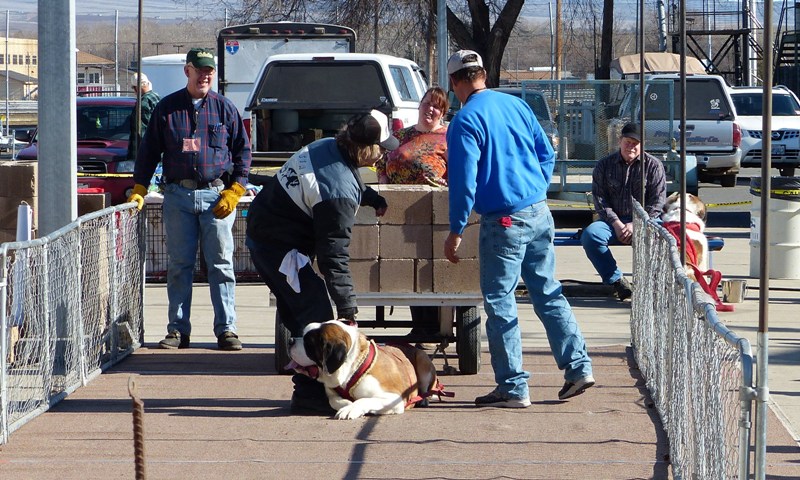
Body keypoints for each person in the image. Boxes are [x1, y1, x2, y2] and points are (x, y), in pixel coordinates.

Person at [444, 50, 594, 408]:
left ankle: (512, 386)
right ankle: (578, 366)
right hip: (538, 211)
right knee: (548, 291)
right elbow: (547, 152)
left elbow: (462, 183)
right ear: (482, 73)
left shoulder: (465, 121)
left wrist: (456, 229)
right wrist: (536, 189)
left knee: (500, 301)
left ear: (455, 83)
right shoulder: (517, 106)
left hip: (503, 220)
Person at [245, 110, 396, 413]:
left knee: (303, 315)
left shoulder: (328, 147)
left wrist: (370, 197)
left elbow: (337, 179)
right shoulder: (337, 194)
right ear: (364, 148)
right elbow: (333, 257)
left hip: (268, 235)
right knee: (315, 316)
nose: (382, 155)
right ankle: (309, 396)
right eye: (380, 148)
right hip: (279, 249)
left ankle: (310, 389)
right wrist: (348, 309)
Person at [127, 47, 252, 351]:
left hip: (216, 197)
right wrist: (140, 188)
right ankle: (177, 330)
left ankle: (226, 330)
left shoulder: (226, 109)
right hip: (178, 196)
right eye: (200, 69)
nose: (205, 75)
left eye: (210, 70)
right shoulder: (167, 109)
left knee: (221, 265)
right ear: (188, 71)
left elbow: (242, 153)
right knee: (179, 265)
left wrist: (235, 189)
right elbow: (148, 152)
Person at [375, 86, 449, 344]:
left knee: (427, 267)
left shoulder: (448, 137)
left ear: (442, 112)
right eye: (427, 103)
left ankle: (431, 326)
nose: (430, 109)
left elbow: (460, 173)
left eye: (437, 106)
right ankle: (419, 325)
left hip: (431, 211)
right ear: (419, 105)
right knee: (405, 268)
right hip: (397, 209)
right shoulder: (401, 135)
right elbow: (382, 162)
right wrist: (383, 191)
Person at [581, 122, 667, 301]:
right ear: (620, 141)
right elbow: (600, 200)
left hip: (645, 221)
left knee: (662, 239)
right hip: (612, 222)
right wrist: (617, 223)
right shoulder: (603, 166)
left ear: (642, 145)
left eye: (635, 143)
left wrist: (636, 224)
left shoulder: (654, 166)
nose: (631, 147)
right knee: (590, 236)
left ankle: (652, 286)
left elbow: (657, 202)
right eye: (627, 142)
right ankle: (617, 282)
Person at [127, 72, 161, 162]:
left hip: (146, 156)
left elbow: (142, 132)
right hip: (159, 152)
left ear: (136, 88)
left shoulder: (143, 103)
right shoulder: (157, 97)